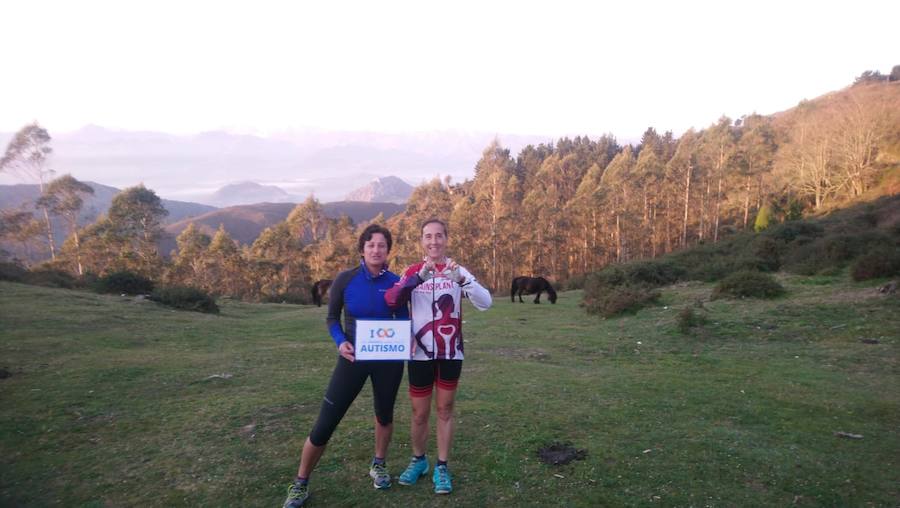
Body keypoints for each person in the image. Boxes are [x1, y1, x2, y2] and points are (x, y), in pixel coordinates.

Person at [283, 224, 409, 508]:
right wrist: (340, 341)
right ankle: (300, 483)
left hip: (388, 360)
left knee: (385, 415)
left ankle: (379, 464)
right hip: (352, 359)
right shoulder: (345, 279)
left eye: (382, 245)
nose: (376, 249)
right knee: (325, 423)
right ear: (362, 249)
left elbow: (401, 319)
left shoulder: (397, 282)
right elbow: (331, 318)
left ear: (388, 250)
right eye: (371, 244)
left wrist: (406, 340)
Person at [385, 218, 492, 495]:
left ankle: (442, 467)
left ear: (446, 239)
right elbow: (392, 300)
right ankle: (419, 461)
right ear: (421, 240)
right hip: (419, 354)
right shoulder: (412, 271)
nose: (433, 241)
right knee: (419, 413)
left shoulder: (458, 270)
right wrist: (417, 279)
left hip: (450, 353)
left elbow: (486, 303)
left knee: (445, 410)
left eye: (438, 236)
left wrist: (463, 280)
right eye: (428, 236)